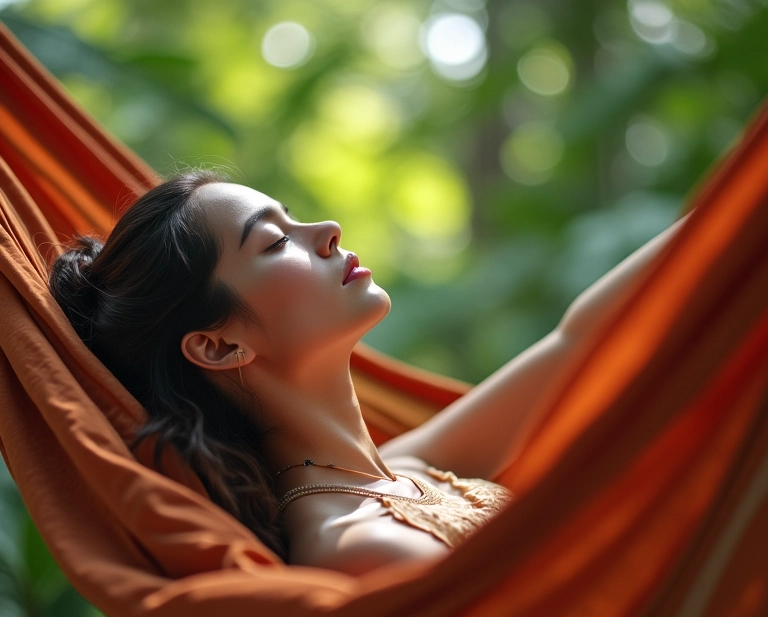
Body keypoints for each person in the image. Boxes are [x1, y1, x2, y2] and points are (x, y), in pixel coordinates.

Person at [49, 170, 687, 576]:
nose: (326, 229)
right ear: (218, 347)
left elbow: (580, 341)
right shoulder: (359, 546)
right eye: (274, 242)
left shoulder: (402, 470)